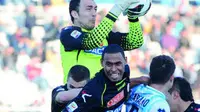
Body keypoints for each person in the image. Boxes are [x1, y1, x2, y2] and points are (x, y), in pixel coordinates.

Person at [60, 0, 145, 83]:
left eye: (95, 9)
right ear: (75, 14)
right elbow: (91, 41)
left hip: (102, 94)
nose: (94, 13)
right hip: (77, 93)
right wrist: (118, 7)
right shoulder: (67, 33)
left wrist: (133, 17)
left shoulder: (104, 36)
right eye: (89, 9)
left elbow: (136, 42)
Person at [62, 44, 132, 112]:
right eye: (109, 64)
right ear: (102, 63)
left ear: (125, 61)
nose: (113, 69)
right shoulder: (93, 90)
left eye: (118, 64)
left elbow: (124, 83)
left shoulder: (126, 71)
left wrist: (141, 80)